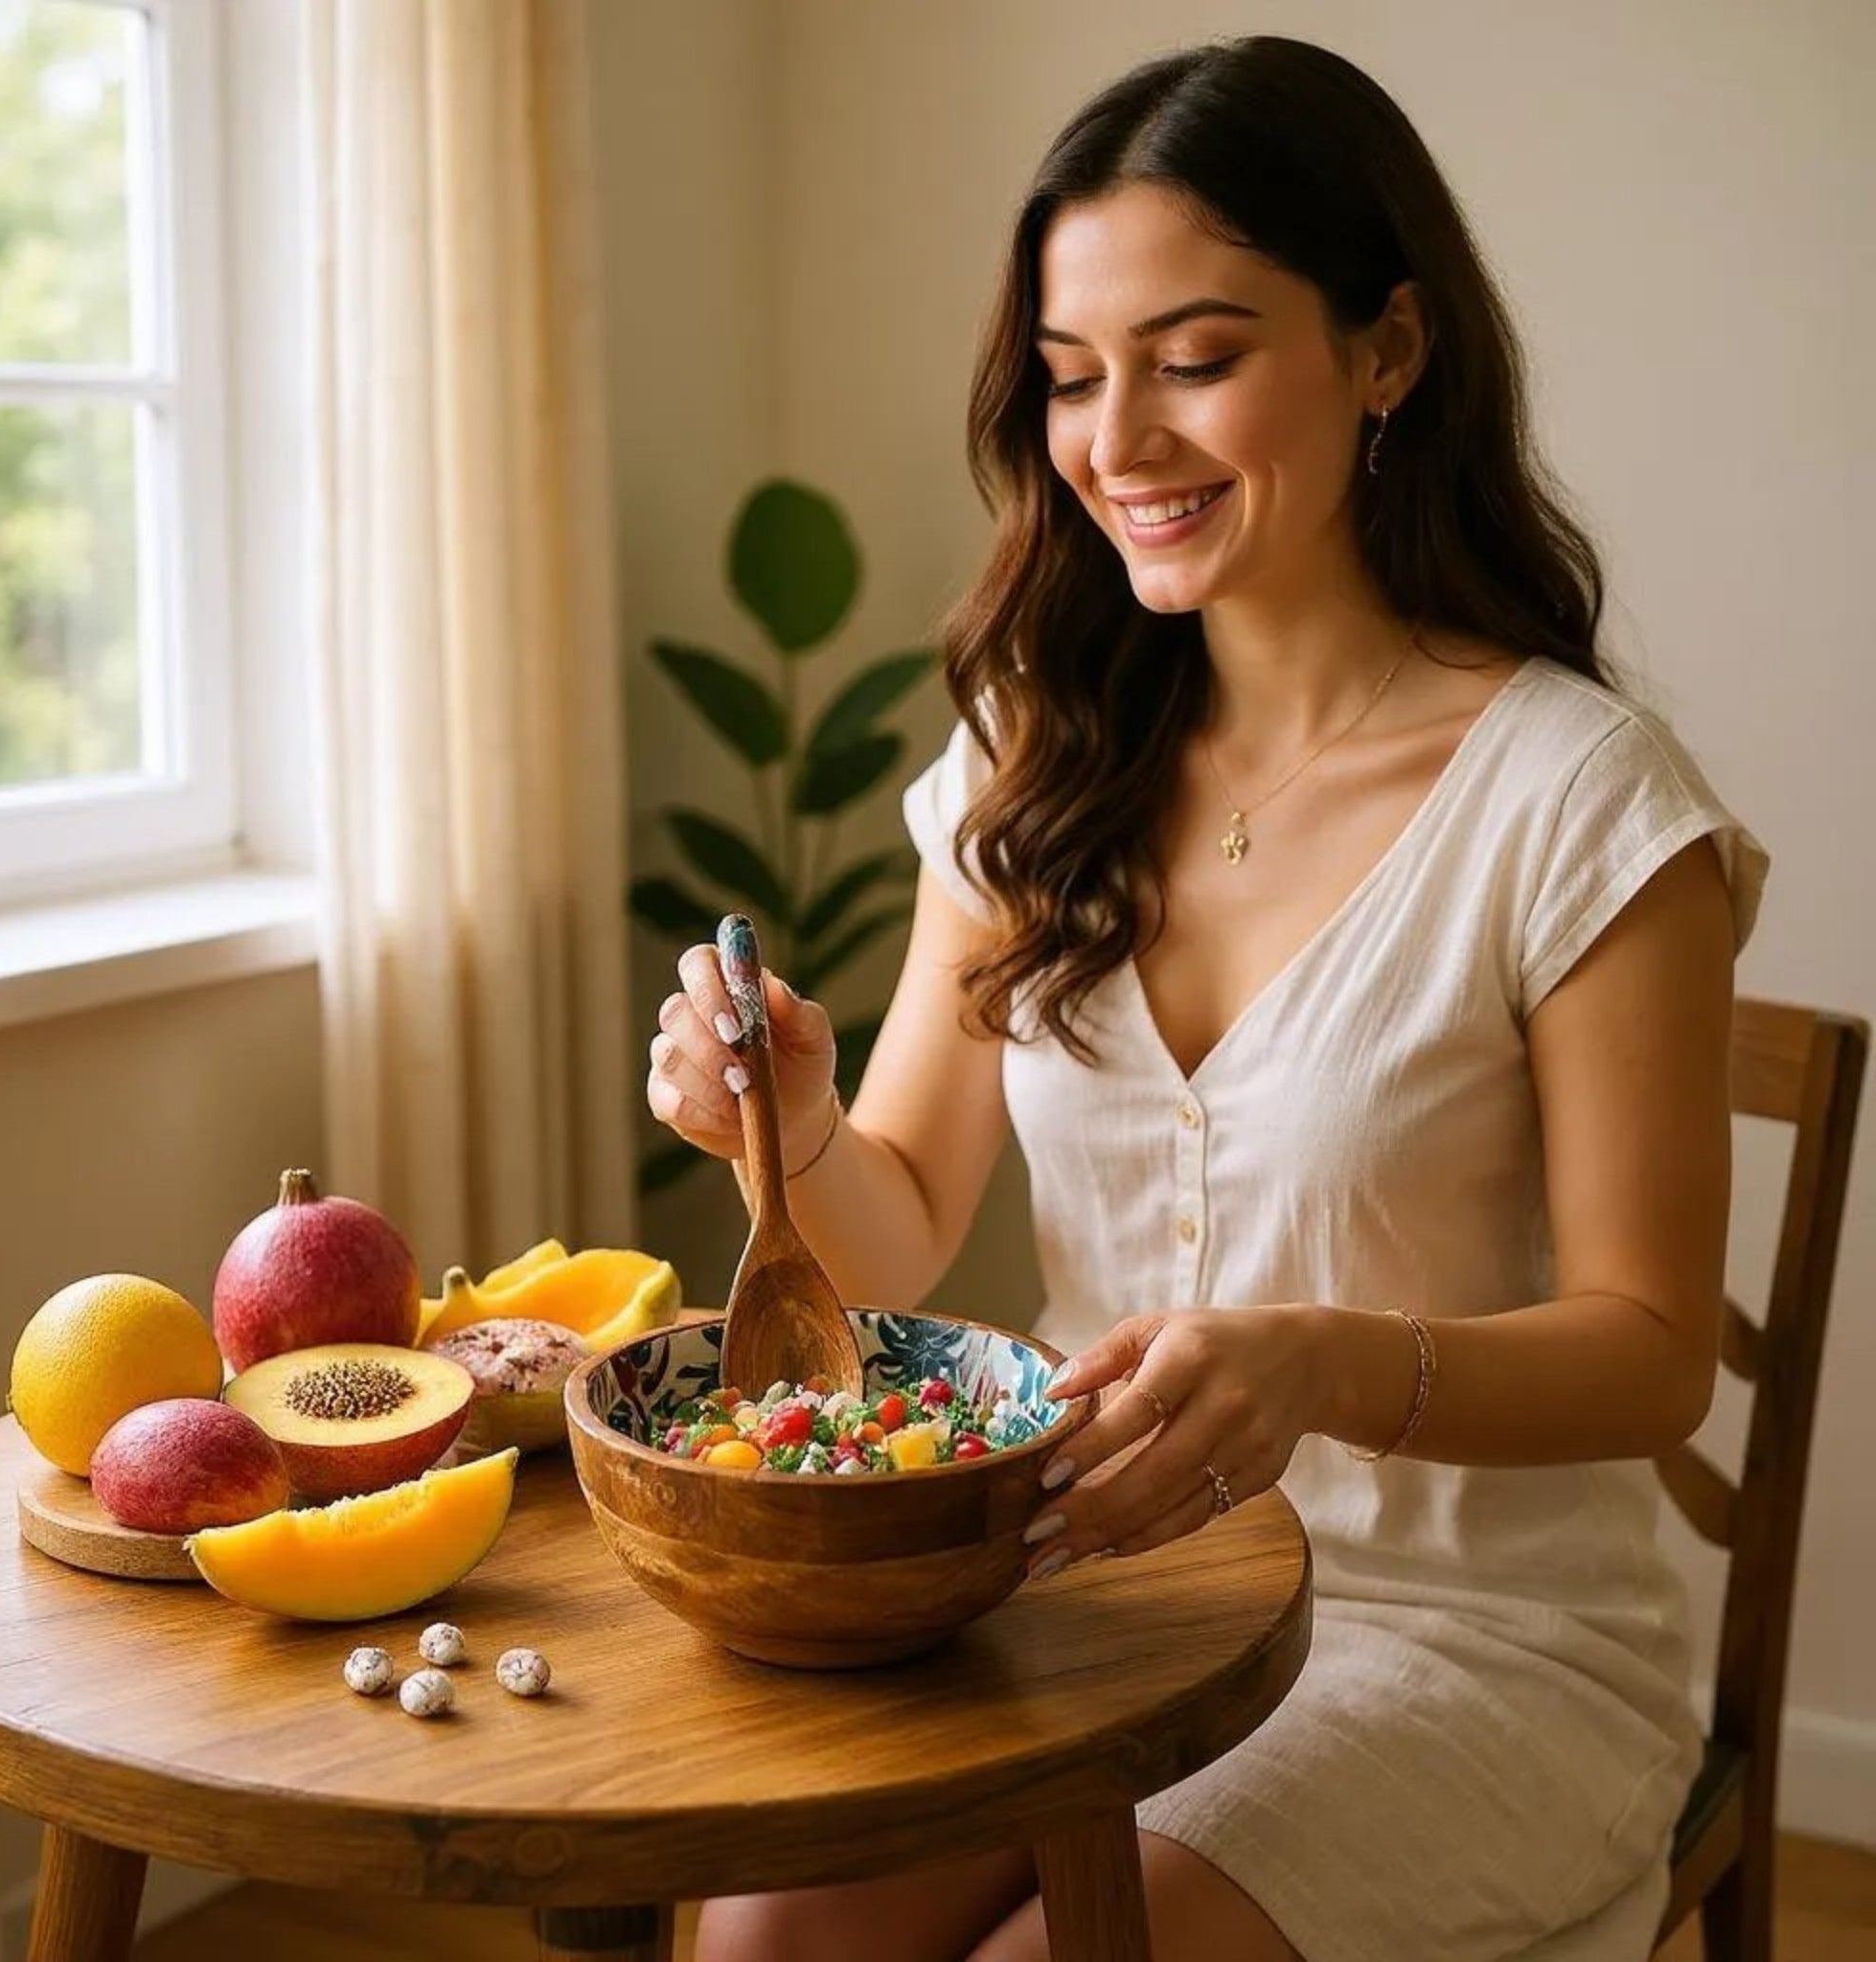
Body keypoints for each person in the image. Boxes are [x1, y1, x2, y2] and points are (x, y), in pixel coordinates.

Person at [644, 34, 1768, 1962]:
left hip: (1481, 1643)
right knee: (758, 1942)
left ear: (1386, 352)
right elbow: (897, 1209)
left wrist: (1324, 1359)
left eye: (1198, 355)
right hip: (1100, 1592)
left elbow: (1655, 1346)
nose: (1118, 440)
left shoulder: (1582, 802)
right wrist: (791, 1128)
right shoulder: (1031, 752)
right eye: (1074, 378)